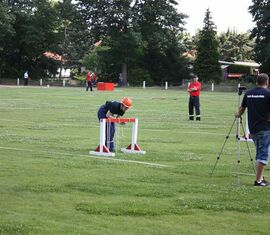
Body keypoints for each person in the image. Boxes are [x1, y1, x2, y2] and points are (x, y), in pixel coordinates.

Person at [235, 73, 270, 187]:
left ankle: (261, 177)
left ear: (256, 82)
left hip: (253, 128)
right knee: (263, 154)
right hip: (265, 127)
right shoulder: (268, 94)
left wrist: (237, 114)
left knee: (259, 152)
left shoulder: (248, 93)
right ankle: (258, 181)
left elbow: (241, 110)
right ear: (267, 82)